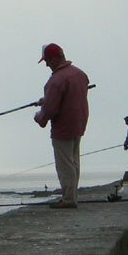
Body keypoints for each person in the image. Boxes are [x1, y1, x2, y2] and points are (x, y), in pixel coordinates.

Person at [34, 43, 90, 209]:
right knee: (74, 162)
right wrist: (47, 100)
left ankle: (68, 199)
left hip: (63, 128)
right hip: (78, 124)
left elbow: (50, 110)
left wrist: (39, 117)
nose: (46, 64)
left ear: (55, 58)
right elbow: (69, 97)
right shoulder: (80, 74)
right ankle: (72, 196)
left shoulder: (56, 80)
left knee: (65, 165)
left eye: (47, 60)